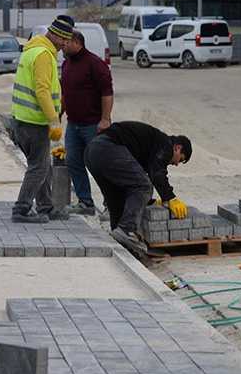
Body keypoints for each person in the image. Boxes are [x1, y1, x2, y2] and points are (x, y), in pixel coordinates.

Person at [84, 121, 192, 252]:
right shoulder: (166, 144)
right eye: (180, 159)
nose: (176, 164)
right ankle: (126, 229)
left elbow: (133, 185)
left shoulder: (152, 146)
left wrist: (150, 201)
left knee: (117, 193)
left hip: (92, 151)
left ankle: (119, 234)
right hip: (108, 148)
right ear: (177, 148)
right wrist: (170, 198)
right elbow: (157, 173)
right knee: (144, 186)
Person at [10, 14, 74, 223]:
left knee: (42, 165)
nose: (66, 44)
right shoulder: (44, 55)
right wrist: (54, 120)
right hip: (33, 122)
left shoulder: (32, 50)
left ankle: (46, 206)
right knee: (38, 167)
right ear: (55, 35)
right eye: (64, 40)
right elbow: (42, 91)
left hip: (22, 120)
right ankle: (21, 209)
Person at [61, 30, 114, 216]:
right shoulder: (67, 64)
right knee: (73, 161)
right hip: (73, 124)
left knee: (100, 165)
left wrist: (105, 119)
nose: (62, 45)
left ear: (77, 42)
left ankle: (111, 205)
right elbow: (65, 93)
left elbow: (107, 93)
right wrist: (58, 114)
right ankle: (85, 202)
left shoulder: (95, 64)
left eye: (65, 42)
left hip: (94, 125)